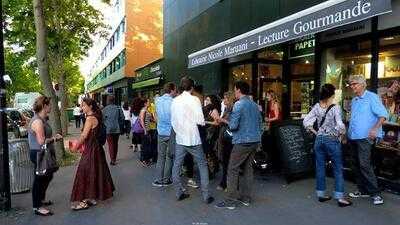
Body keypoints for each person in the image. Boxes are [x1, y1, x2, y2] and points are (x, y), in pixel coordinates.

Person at [303, 84, 352, 207]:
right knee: (338, 168)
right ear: (332, 95)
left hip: (319, 140)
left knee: (320, 167)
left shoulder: (317, 106)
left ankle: (321, 194)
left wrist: (316, 132)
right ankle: (340, 198)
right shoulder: (335, 108)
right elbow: (340, 125)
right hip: (332, 140)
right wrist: (342, 135)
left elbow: (306, 121)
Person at [215, 81, 262, 210]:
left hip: (242, 141)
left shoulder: (238, 105)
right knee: (248, 169)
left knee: (232, 169)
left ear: (239, 90)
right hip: (254, 141)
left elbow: (233, 126)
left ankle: (230, 201)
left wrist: (222, 119)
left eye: (235, 90)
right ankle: (246, 198)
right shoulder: (254, 105)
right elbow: (260, 124)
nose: (234, 92)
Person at [171, 76, 214, 204]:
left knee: (177, 165)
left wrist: (179, 131)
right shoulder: (194, 99)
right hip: (193, 139)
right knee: (202, 165)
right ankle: (206, 196)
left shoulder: (175, 100)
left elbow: (173, 121)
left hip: (180, 138)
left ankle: (178, 193)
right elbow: (200, 121)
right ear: (192, 87)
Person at [347, 75, 388, 205]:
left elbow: (383, 115)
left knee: (365, 164)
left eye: (354, 84)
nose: (352, 86)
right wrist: (346, 134)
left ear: (363, 84)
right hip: (353, 136)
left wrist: (375, 129)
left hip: (365, 137)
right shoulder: (354, 100)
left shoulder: (372, 97)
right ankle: (363, 190)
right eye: (351, 84)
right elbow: (354, 119)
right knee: (355, 164)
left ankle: (376, 194)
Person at [70, 98, 115, 211]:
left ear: (90, 106)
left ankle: (84, 201)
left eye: (84, 105)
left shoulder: (90, 118)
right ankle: (91, 197)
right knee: (94, 172)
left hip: (91, 150)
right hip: (96, 149)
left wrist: (76, 146)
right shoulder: (95, 116)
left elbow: (84, 136)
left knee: (84, 172)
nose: (82, 107)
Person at [28, 96, 63, 216]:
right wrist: (55, 138)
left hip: (43, 153)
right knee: (39, 179)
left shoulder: (43, 119)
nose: (51, 107)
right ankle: (37, 207)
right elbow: (41, 141)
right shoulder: (37, 121)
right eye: (49, 105)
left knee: (47, 176)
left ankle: (41, 200)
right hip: (38, 153)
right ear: (44, 106)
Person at [152, 82, 177, 187]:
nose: (176, 92)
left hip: (161, 132)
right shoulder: (174, 102)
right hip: (171, 132)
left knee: (161, 156)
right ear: (171, 90)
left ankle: (159, 179)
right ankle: (167, 179)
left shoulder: (157, 101)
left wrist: (159, 125)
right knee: (169, 156)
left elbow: (155, 116)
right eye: (175, 90)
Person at [215, 91, 235, 191]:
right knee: (225, 160)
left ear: (230, 99)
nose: (224, 100)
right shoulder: (227, 109)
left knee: (228, 161)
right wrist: (219, 119)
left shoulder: (233, 109)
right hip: (224, 137)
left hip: (229, 138)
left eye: (226, 98)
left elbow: (232, 123)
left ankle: (227, 183)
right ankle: (225, 182)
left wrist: (221, 120)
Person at [102, 95, 124, 165]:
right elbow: (122, 117)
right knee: (115, 143)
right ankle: (114, 157)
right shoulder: (118, 108)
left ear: (108, 101)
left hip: (108, 129)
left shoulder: (105, 109)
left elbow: (102, 119)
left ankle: (112, 159)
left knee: (110, 144)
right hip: (117, 128)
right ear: (114, 100)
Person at [139, 98, 154, 166]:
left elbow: (151, 119)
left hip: (148, 130)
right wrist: (144, 129)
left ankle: (146, 159)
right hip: (145, 131)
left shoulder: (147, 110)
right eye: (148, 101)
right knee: (145, 146)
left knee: (147, 145)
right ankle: (143, 160)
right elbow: (141, 120)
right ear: (145, 103)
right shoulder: (143, 110)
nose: (149, 102)